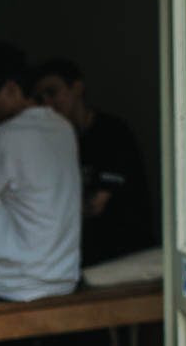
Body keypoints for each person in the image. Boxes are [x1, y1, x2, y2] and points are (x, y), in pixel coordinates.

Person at [0, 41, 81, 302]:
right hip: (63, 276)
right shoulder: (64, 128)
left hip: (11, 283)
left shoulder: (4, 137)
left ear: (11, 88)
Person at [33, 59, 155, 265]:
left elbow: (95, 204)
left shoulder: (112, 133)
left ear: (77, 88)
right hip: (79, 255)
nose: (47, 103)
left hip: (124, 253)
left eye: (52, 92)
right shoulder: (55, 141)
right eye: (40, 98)